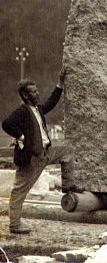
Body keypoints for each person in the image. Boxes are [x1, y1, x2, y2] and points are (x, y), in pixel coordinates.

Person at [2, 70, 84, 234]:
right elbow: (6, 124)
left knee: (67, 150)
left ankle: (68, 186)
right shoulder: (22, 111)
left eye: (36, 90)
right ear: (25, 96)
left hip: (46, 153)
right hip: (31, 159)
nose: (37, 93)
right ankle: (15, 225)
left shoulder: (37, 109)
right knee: (18, 192)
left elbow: (51, 103)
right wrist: (21, 137)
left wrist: (60, 84)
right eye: (33, 91)